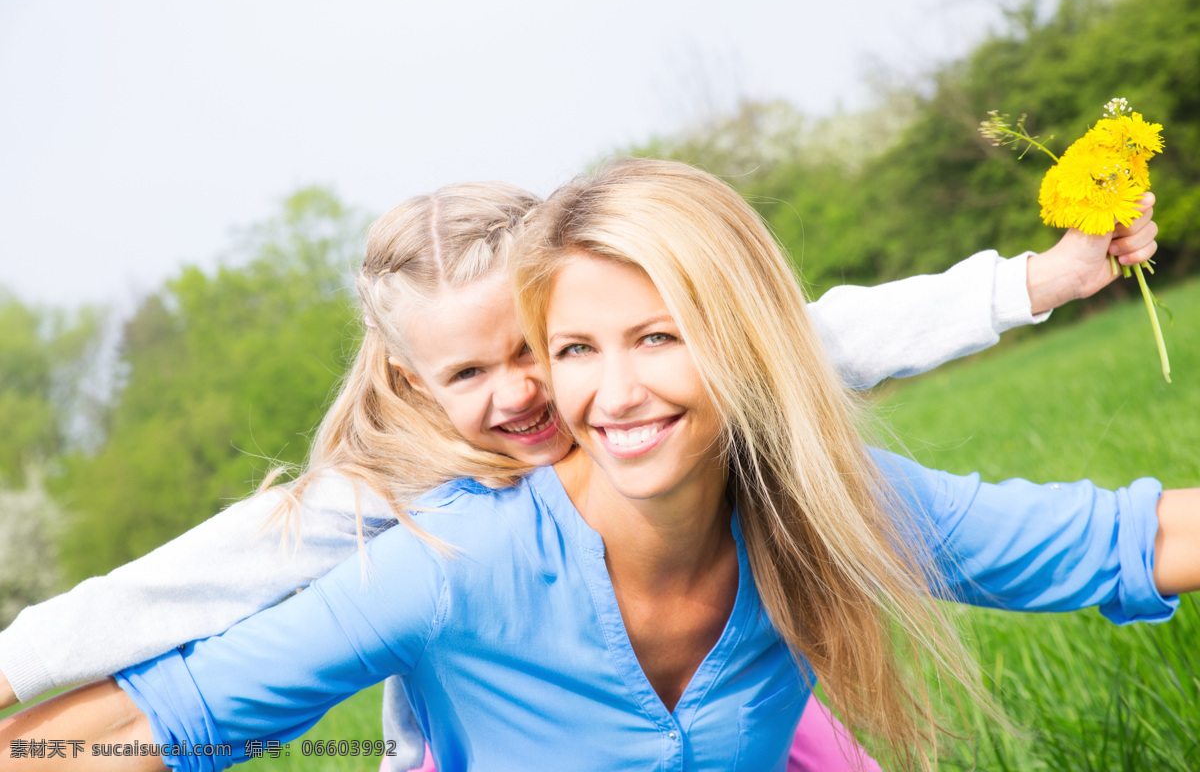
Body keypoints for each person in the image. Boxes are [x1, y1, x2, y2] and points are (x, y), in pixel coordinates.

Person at [0, 159, 1187, 771]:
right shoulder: (418, 533)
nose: (566, 394)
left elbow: (1110, 539)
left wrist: (1038, 280)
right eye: (571, 351)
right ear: (417, 383)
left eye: (650, 338)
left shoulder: (798, 486)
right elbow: (178, 649)